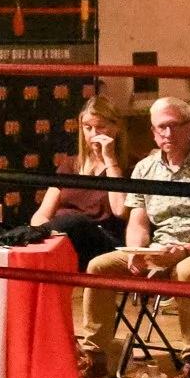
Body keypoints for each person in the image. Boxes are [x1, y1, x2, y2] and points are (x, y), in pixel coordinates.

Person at [74, 97, 190, 378]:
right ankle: (97, 358)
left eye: (171, 126)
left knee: (188, 270)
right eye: (158, 128)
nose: (165, 134)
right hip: (159, 249)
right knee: (98, 267)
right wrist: (137, 253)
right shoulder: (145, 168)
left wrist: (189, 249)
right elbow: (138, 222)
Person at [29, 95, 130, 280]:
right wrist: (40, 235)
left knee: (73, 222)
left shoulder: (129, 166)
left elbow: (120, 210)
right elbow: (42, 214)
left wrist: (109, 159)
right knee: (59, 227)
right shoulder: (69, 165)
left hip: (103, 241)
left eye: (101, 127)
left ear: (116, 128)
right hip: (60, 238)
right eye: (88, 127)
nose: (94, 134)